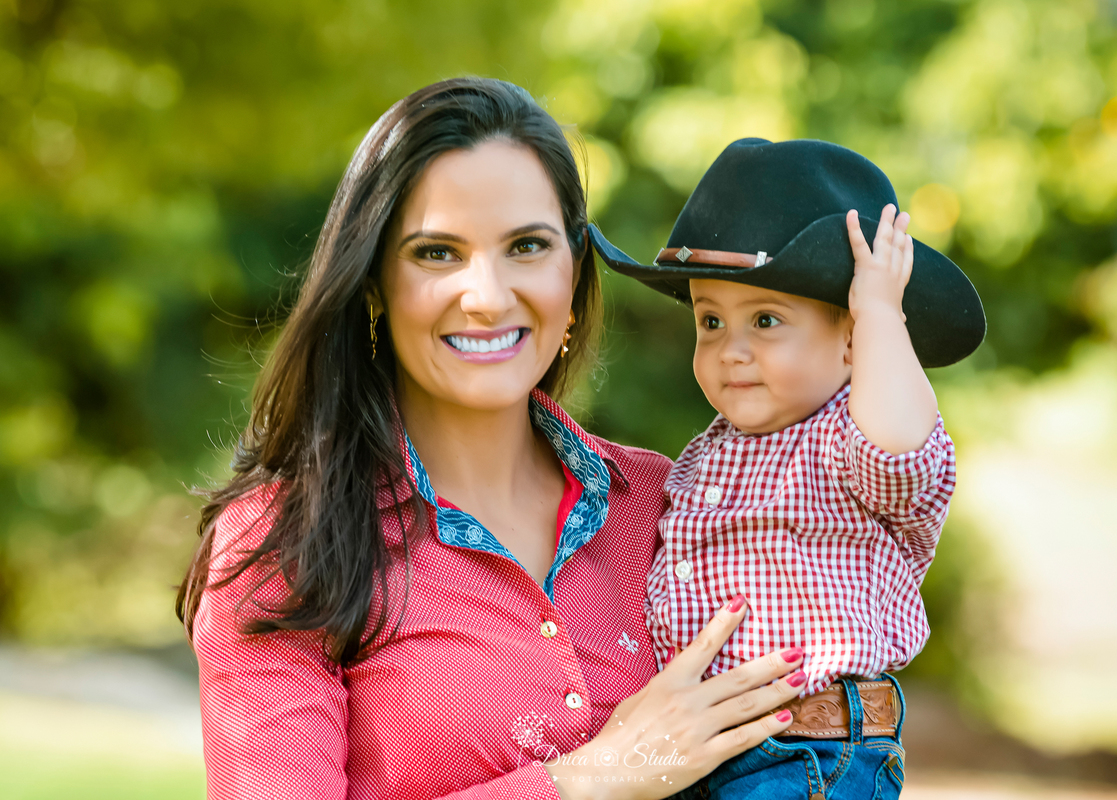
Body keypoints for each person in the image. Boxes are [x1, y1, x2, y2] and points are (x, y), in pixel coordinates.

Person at [176, 79, 813, 800]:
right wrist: (590, 778)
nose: (487, 296)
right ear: (374, 283)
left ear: (574, 271)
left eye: (527, 246)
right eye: (437, 253)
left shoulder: (676, 505)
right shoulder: (285, 545)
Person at [589, 138, 986, 798]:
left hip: (807, 753)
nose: (731, 350)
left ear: (853, 342)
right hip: (699, 749)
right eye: (710, 321)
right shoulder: (705, 456)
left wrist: (880, 313)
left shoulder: (849, 443)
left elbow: (901, 454)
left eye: (766, 320)